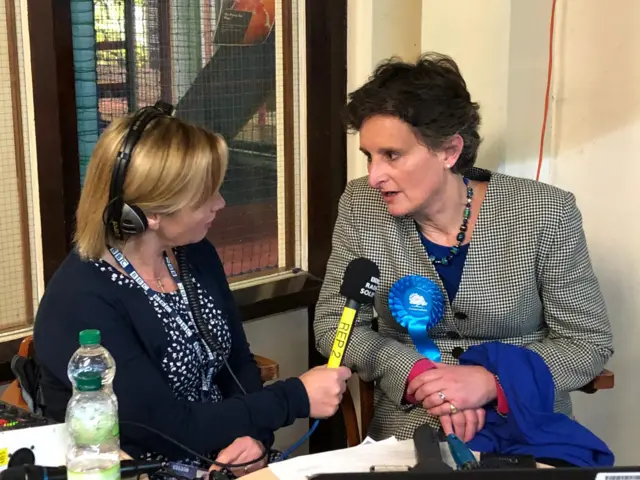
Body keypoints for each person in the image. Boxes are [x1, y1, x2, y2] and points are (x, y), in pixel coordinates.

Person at [34, 105, 351, 477]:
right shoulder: (82, 300)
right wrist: (295, 397)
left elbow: (238, 365)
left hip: (227, 458)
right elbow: (162, 427)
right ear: (150, 215)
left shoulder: (193, 253)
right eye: (205, 197)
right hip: (142, 468)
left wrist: (254, 440)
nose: (220, 204)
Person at [314, 53, 613, 445]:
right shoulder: (360, 206)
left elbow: (587, 341)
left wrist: (491, 382)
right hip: (411, 425)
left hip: (525, 423)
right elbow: (336, 324)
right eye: (368, 156)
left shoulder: (546, 213)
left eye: (392, 155)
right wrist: (419, 375)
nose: (373, 177)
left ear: (450, 151)